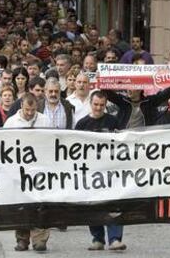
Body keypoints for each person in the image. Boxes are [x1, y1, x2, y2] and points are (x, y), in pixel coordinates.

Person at [75, 91, 126, 251]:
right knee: (93, 206)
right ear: (91, 103)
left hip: (111, 172)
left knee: (114, 205)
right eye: (96, 104)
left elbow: (123, 143)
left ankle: (115, 239)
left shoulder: (113, 121)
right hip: (90, 173)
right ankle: (98, 239)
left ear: (105, 105)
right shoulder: (82, 124)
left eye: (102, 105)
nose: (98, 108)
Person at [4, 93, 52, 252]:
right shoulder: (11, 122)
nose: (30, 113)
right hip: (18, 172)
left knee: (40, 205)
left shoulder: (44, 120)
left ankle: (40, 239)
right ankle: (22, 239)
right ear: (21, 107)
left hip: (39, 171)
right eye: (27, 110)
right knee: (21, 207)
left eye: (33, 110)